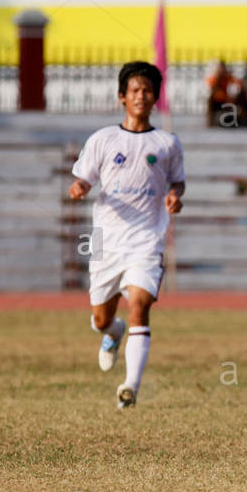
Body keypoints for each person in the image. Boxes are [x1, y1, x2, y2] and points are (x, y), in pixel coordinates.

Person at [68, 61, 185, 410]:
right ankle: (112, 334)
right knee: (101, 318)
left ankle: (130, 388)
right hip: (107, 240)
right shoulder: (103, 139)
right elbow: (85, 178)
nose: (141, 96)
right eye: (134, 90)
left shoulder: (167, 143)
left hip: (147, 238)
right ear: (122, 96)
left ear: (155, 97)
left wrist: (175, 195)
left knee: (140, 303)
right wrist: (79, 187)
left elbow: (177, 180)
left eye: (147, 91)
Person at [206, 60, 240, 127]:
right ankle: (211, 122)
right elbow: (211, 88)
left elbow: (236, 85)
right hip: (217, 101)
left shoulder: (228, 77)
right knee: (210, 100)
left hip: (226, 100)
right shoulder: (215, 78)